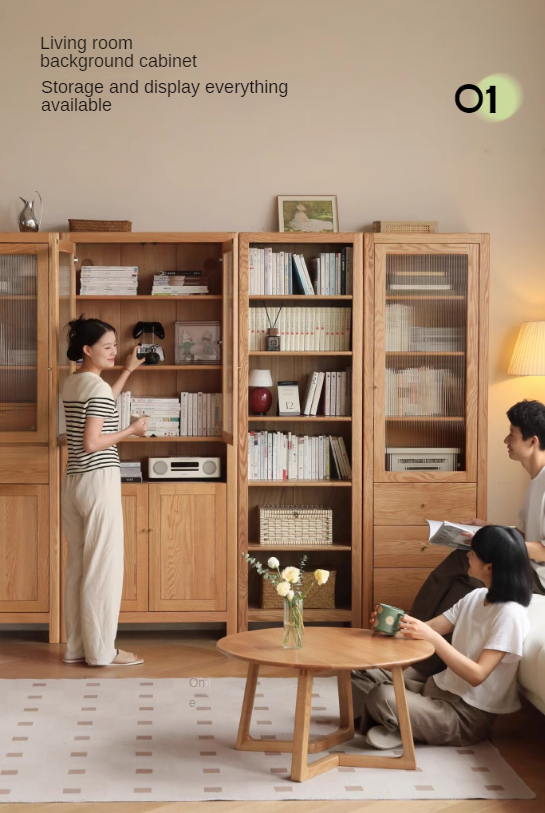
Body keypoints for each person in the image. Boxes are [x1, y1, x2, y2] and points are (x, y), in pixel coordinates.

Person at [352, 526, 532, 749]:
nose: (467, 556)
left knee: (383, 696)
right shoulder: (476, 596)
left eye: (473, 553)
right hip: (435, 691)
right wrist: (390, 627)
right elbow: (428, 629)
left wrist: (433, 639)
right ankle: (402, 725)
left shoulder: (510, 614)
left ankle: (400, 724)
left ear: (490, 568)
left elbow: (478, 675)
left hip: (465, 716)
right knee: (358, 669)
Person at [410, 400, 545, 675]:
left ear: (532, 441)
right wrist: (489, 527)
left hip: (540, 579)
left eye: (512, 434)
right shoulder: (536, 481)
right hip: (529, 567)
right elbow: (524, 536)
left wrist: (490, 540)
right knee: (462, 590)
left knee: (462, 559)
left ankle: (407, 636)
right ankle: (422, 662)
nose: (506, 439)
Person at [61, 316, 148, 666]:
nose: (114, 352)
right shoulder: (94, 388)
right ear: (87, 349)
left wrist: (126, 372)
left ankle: (76, 649)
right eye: (108, 347)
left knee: (78, 568)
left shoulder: (74, 383)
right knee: (103, 568)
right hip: (99, 482)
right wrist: (132, 430)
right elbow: (93, 441)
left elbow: (101, 404)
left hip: (74, 485)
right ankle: (102, 652)